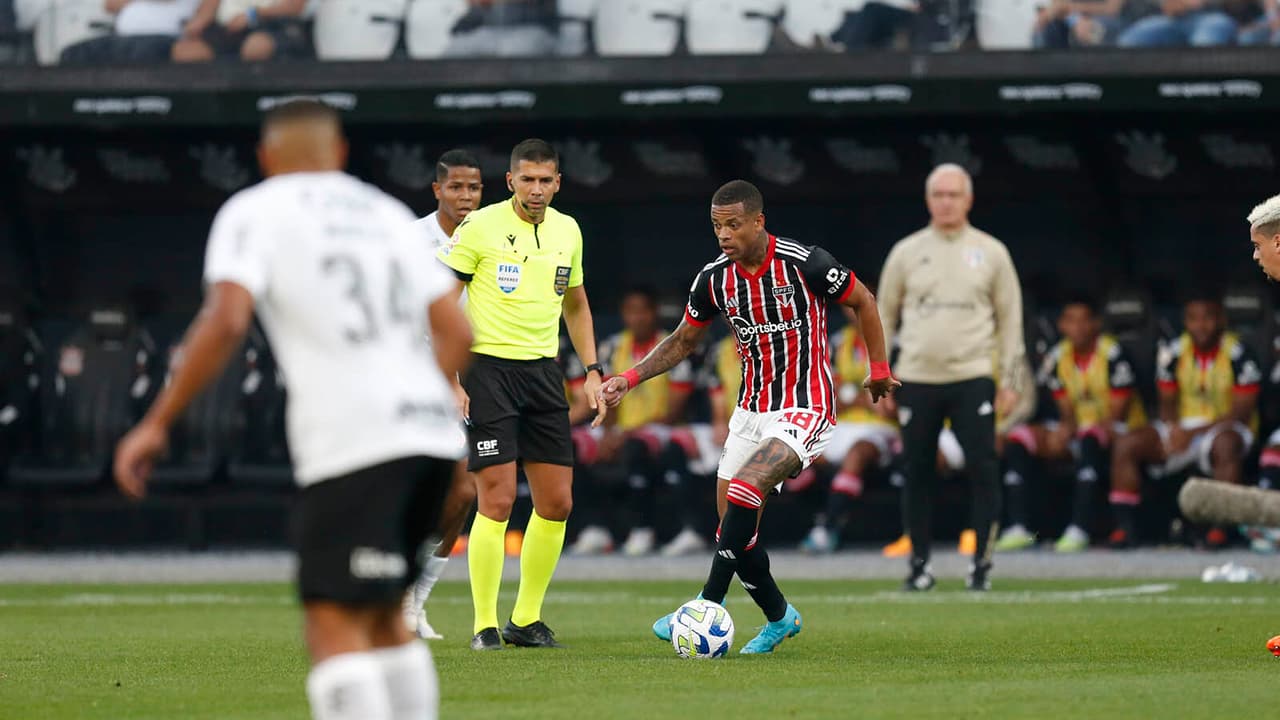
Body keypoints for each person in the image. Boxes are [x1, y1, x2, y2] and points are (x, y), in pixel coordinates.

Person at [113, 100, 471, 720]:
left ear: (265, 157)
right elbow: (456, 334)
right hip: (433, 441)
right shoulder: (385, 213)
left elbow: (225, 318)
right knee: (385, 618)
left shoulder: (254, 210)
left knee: (333, 623)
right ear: (339, 154)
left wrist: (156, 421)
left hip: (356, 443)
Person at [599, 180, 898, 654]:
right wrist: (629, 379)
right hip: (750, 412)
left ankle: (703, 604)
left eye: (733, 224)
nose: (723, 234)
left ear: (759, 221)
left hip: (806, 406)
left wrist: (878, 369)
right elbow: (682, 341)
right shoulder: (714, 278)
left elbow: (864, 300)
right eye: (717, 225)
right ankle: (780, 618)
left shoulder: (807, 264)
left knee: (744, 490)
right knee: (733, 532)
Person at [437, 138, 606, 651]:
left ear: (558, 183)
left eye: (545, 180)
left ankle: (524, 620)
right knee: (499, 499)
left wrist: (594, 370)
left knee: (557, 503)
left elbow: (576, 305)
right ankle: (484, 625)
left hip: (542, 373)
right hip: (486, 369)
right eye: (527, 179)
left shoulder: (568, 230)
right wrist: (449, 378)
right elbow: (442, 301)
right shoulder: (481, 226)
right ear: (510, 181)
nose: (536, 189)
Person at [877, 163, 1026, 592]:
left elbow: (1011, 320)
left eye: (953, 195)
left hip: (973, 374)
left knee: (983, 468)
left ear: (969, 200)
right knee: (917, 471)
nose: (946, 202)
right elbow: (881, 315)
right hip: (916, 377)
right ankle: (919, 566)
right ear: (928, 200)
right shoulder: (905, 252)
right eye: (938, 194)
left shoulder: (992, 251)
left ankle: (981, 564)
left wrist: (1012, 381)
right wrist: (881, 375)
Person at [402, 149, 484, 641]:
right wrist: (447, 378)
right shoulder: (412, 240)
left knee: (461, 494)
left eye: (473, 188)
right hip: (416, 378)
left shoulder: (495, 234)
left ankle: (413, 601)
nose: (466, 196)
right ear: (438, 190)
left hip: (477, 382)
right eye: (456, 187)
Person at [1108, 293, 1261, 548]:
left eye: (1208, 318)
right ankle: (1126, 528)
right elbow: (1167, 405)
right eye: (1193, 319)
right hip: (1187, 426)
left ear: (1221, 319)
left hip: (1226, 427)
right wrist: (1173, 431)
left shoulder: (1239, 352)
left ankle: (1220, 528)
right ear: (1185, 322)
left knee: (1225, 444)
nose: (1201, 326)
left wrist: (1192, 434)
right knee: (1127, 443)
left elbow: (1240, 413)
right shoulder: (1173, 351)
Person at [994, 298, 1146, 553]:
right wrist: (1065, 430)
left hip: (1120, 429)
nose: (1077, 327)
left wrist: (1075, 430)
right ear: (1062, 325)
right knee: (1020, 437)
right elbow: (1065, 410)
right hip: (1080, 429)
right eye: (1070, 320)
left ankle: (1079, 529)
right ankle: (1018, 527)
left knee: (1091, 436)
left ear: (1095, 324)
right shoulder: (1057, 356)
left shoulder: (1112, 353)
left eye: (1083, 320)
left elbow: (1118, 414)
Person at [797, 306, 901, 554]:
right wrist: (862, 398)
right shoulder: (836, 342)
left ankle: (828, 528)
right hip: (840, 424)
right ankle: (822, 518)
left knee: (858, 453)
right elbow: (827, 396)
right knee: (798, 453)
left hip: (881, 429)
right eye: (851, 306)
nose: (858, 311)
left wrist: (852, 395)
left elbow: (890, 407)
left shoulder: (896, 345)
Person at [172, 0, 311, 63]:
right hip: (225, 30)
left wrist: (252, 15)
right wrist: (198, 21)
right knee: (185, 52)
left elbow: (294, 7)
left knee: (256, 48)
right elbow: (208, 6)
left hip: (274, 26)